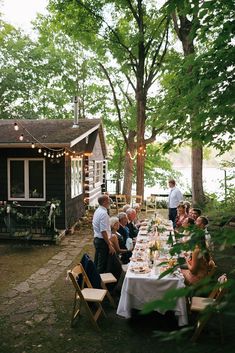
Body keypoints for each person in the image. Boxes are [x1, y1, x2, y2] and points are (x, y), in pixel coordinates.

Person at [92, 195, 115, 273]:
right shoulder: (103, 214)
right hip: (102, 241)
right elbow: (103, 231)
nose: (110, 202)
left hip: (97, 239)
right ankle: (99, 283)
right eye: (109, 201)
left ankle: (94, 279)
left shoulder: (98, 210)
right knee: (102, 265)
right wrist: (109, 244)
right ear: (105, 202)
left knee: (97, 262)